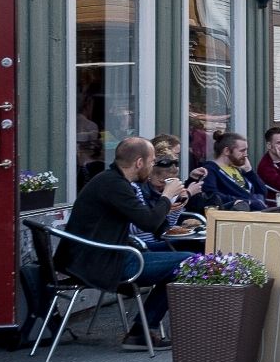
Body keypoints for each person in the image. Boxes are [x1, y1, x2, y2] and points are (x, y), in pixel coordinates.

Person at [60, 137, 190, 350]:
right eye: (151, 162)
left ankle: (143, 329)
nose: (152, 167)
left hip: (106, 254)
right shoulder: (114, 185)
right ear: (139, 163)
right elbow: (148, 222)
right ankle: (141, 331)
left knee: (187, 253)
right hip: (101, 262)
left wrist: (175, 201)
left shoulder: (114, 181)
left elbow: (157, 226)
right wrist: (166, 197)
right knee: (187, 262)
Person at [200, 132, 268, 211]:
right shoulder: (210, 170)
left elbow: (263, 191)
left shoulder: (238, 169)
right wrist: (245, 201)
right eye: (242, 151)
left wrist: (249, 171)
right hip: (234, 216)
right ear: (227, 151)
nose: (246, 154)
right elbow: (211, 195)